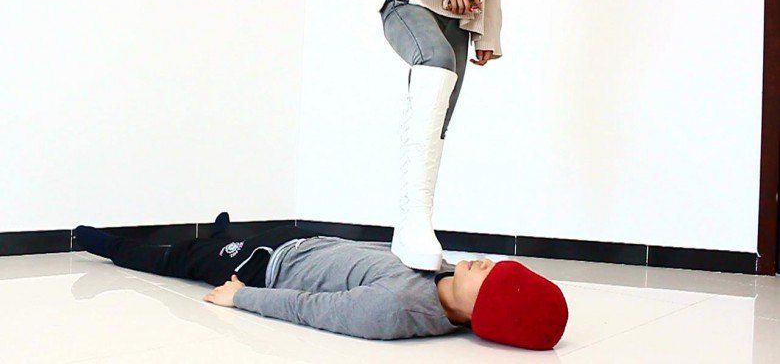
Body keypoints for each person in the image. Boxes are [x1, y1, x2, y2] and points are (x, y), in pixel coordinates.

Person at [73, 212, 568, 350]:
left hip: (265, 264)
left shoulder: (393, 311)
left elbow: (310, 308)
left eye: (494, 280)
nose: (484, 262)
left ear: (485, 315)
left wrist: (243, 296)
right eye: (497, 265)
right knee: (230, 237)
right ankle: (225, 232)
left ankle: (106, 245)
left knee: (179, 257)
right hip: (307, 239)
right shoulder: (440, 274)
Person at [377, 0, 515, 271]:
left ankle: (411, 227)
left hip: (457, 18)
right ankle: (416, 222)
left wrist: (488, 35)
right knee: (436, 60)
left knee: (438, 122)